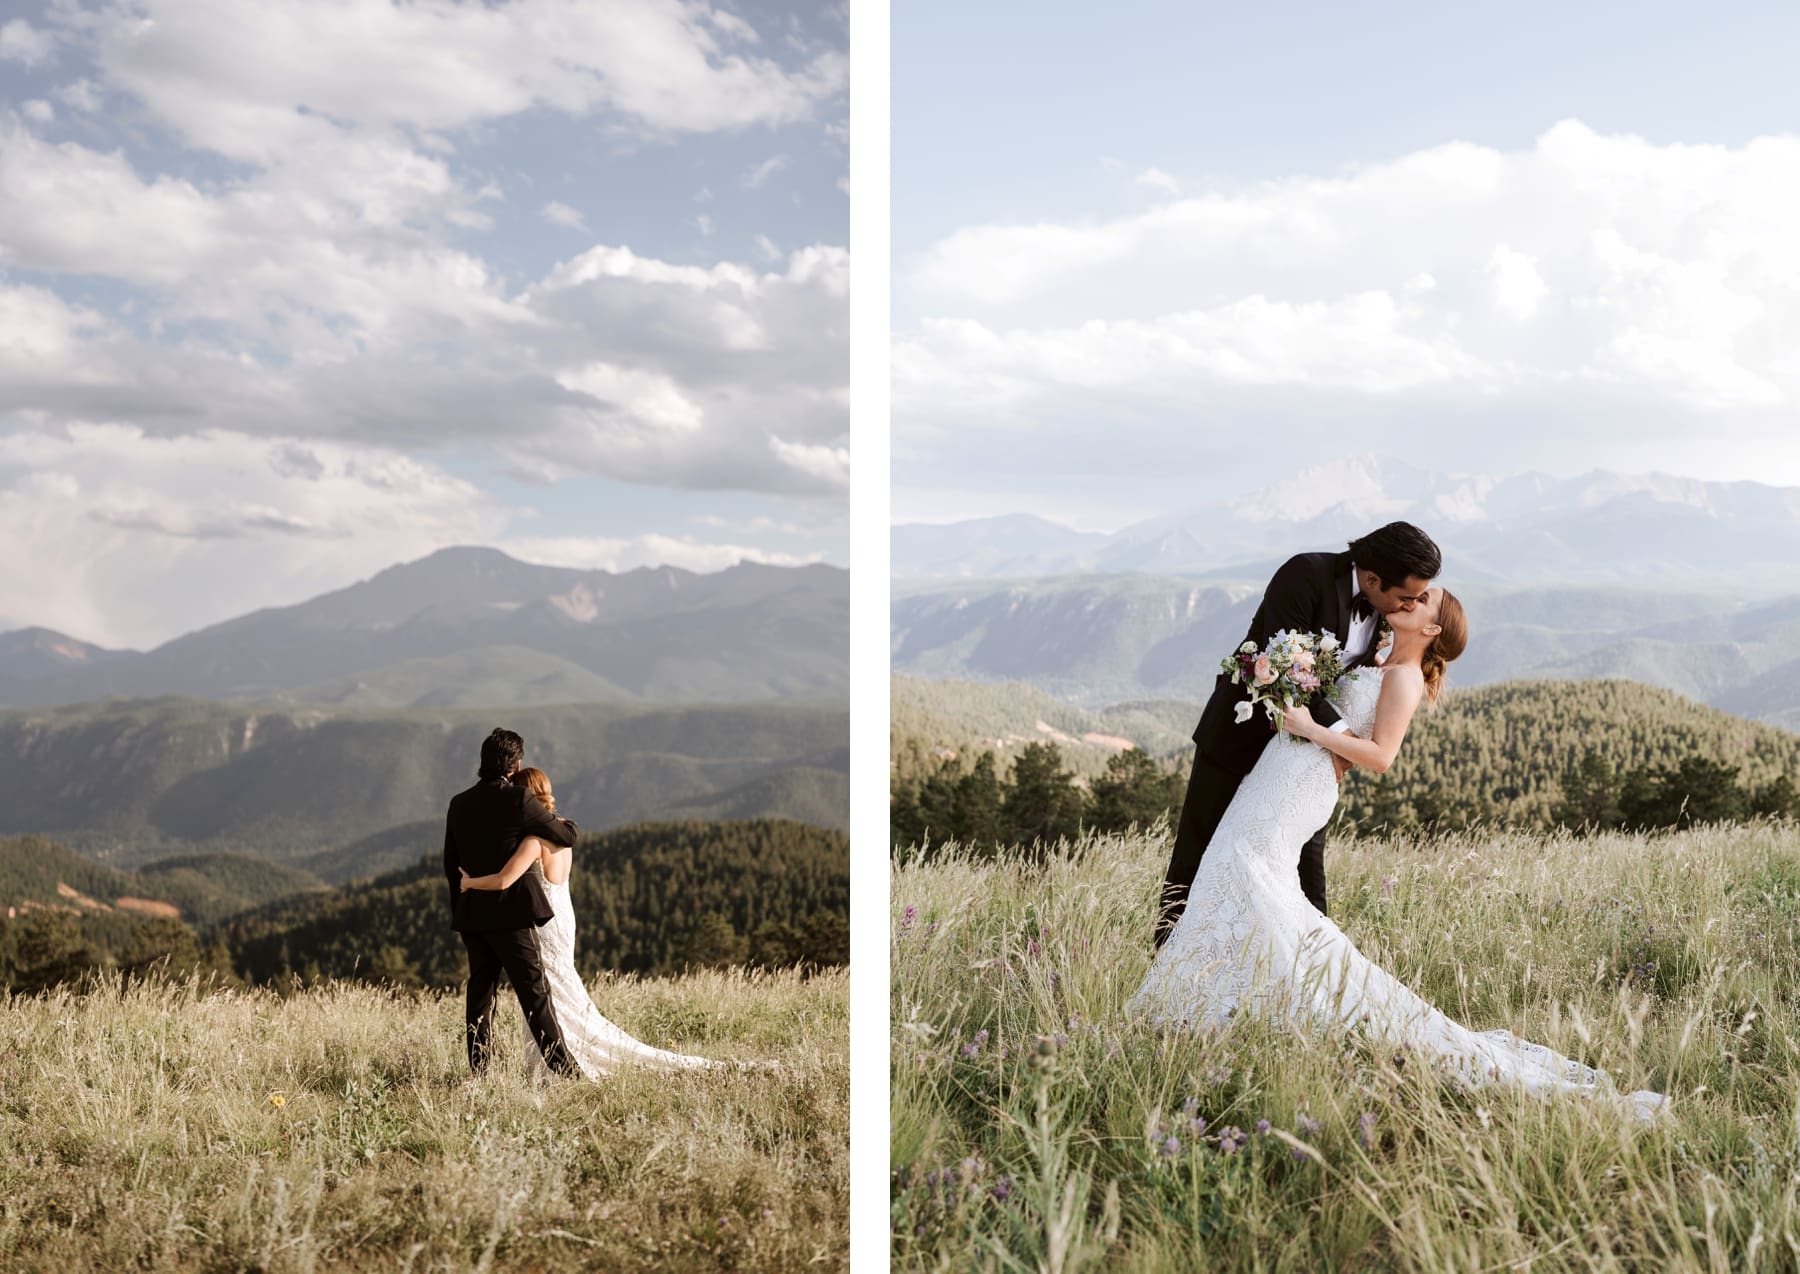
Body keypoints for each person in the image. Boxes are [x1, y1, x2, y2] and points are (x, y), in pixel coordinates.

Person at [1128, 588, 1667, 1122]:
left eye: (1423, 601)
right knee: (1238, 873)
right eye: (1413, 594)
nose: (1412, 600)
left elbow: (1382, 757)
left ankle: (1216, 1003)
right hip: (1281, 770)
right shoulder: (1378, 654)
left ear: (1431, 629)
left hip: (1301, 783)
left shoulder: (1405, 678)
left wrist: (1311, 728)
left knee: (1242, 868)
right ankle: (1214, 1003)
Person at [1155, 521, 1441, 948]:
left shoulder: (1385, 615)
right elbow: (1287, 670)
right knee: (1197, 857)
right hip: (1239, 739)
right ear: (1372, 579)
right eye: (1405, 597)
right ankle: (1166, 967)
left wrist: (1333, 746)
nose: (1411, 604)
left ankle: (1310, 979)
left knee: (1306, 873)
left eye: (1419, 599)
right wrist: (1342, 736)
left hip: (1302, 766)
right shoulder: (1305, 575)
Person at [460, 766, 727, 1077]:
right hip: (562, 914)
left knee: (540, 990)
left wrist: (470, 883)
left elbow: (505, 880)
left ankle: (556, 1063)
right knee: (557, 987)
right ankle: (555, 1057)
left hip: (541, 920)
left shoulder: (534, 839)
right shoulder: (559, 829)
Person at [442, 727, 582, 1077]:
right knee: (535, 995)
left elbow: (450, 865)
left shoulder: (458, 803)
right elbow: (566, 836)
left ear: (483, 762)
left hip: (472, 915)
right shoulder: (519, 800)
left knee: (480, 998)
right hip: (512, 916)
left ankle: (480, 1072)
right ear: (514, 764)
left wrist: (462, 908)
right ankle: (565, 1070)